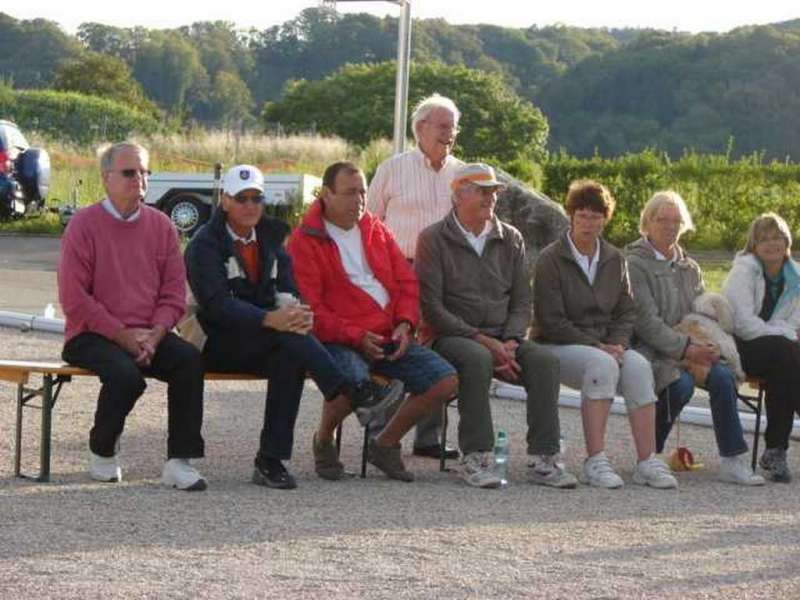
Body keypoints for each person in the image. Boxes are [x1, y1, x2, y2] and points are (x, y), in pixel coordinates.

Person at [185, 165, 400, 489]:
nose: (250, 205)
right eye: (241, 198)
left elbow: (287, 286)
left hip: (264, 336)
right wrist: (270, 318)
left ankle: (271, 461)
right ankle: (348, 389)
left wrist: (296, 312)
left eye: (256, 197)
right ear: (224, 201)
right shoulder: (204, 244)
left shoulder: (271, 234)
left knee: (291, 351)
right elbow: (216, 305)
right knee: (289, 342)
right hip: (215, 339)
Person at [288, 161, 458, 482]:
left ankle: (385, 444)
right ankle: (324, 439)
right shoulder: (304, 240)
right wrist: (355, 335)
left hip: (390, 335)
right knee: (353, 380)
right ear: (326, 194)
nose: (360, 200)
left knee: (445, 381)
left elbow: (408, 284)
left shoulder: (377, 229)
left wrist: (406, 324)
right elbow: (311, 309)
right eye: (350, 193)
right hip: (338, 338)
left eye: (363, 192)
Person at [416, 163, 577, 489]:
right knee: (476, 357)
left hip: (504, 338)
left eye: (494, 191)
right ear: (459, 194)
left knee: (545, 362)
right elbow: (432, 308)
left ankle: (543, 459)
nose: (492, 197)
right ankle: (476, 457)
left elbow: (522, 302)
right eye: (483, 190)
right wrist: (482, 340)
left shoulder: (511, 238)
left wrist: (513, 340)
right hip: (449, 337)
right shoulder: (433, 238)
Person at [58, 142, 206, 491]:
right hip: (89, 333)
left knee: (188, 360)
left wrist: (155, 335)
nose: (138, 179)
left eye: (144, 172)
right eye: (129, 172)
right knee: (126, 377)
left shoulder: (162, 226)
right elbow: (74, 299)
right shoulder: (83, 225)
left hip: (147, 334)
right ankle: (102, 448)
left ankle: (179, 461)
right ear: (106, 178)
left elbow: (173, 294)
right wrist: (123, 335)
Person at [534, 180, 677, 490]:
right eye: (582, 215)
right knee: (603, 365)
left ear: (605, 219)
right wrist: (599, 346)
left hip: (606, 345)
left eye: (596, 216)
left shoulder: (615, 258)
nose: (589, 223)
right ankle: (595, 460)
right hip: (557, 344)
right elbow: (551, 320)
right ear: (571, 216)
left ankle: (646, 460)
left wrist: (619, 343)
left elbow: (627, 311)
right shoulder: (550, 258)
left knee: (639, 366)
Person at [626, 191, 764, 486]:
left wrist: (710, 342)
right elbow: (646, 322)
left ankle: (732, 459)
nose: (671, 227)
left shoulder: (690, 266)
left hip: (693, 346)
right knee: (680, 384)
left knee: (724, 377)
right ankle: (649, 457)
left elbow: (702, 311)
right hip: (651, 349)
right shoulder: (634, 264)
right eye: (663, 220)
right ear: (647, 222)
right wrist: (688, 348)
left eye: (677, 221)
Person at [366, 93, 464, 459]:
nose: (449, 133)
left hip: (447, 273)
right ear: (420, 128)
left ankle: (429, 437)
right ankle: (381, 433)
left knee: (437, 346)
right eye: (442, 126)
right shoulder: (392, 169)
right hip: (397, 272)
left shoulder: (462, 174)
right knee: (396, 347)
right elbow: (370, 224)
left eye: (453, 127)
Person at [722, 212, 800, 482]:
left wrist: (783, 335)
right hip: (741, 348)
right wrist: (781, 333)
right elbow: (743, 323)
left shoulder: (796, 277)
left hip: (783, 355)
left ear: (787, 241)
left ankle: (776, 450)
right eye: (764, 238)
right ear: (753, 245)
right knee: (787, 353)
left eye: (777, 237)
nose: (772, 244)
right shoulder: (743, 271)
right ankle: (775, 451)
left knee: (787, 362)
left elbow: (796, 321)